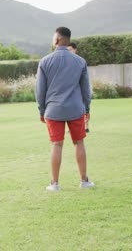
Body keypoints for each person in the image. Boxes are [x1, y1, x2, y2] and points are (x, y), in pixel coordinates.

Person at [36, 27, 94, 192]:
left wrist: (41, 111)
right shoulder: (80, 61)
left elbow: (40, 91)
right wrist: (87, 108)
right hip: (76, 108)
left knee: (57, 144)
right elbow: (86, 90)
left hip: (53, 110)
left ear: (57, 40)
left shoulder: (45, 61)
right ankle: (84, 180)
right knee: (79, 143)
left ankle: (54, 184)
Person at [67, 42, 90, 133]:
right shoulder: (67, 62)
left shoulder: (80, 61)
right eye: (67, 50)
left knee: (85, 108)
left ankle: (86, 127)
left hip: (81, 88)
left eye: (70, 49)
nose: (69, 51)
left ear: (75, 49)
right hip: (72, 90)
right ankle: (71, 128)